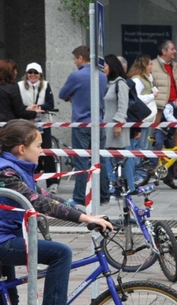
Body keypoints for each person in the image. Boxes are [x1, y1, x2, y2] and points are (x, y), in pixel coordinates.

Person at [0, 119, 112, 305]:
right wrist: (84, 220)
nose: (42, 151)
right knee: (60, 253)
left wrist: (83, 213)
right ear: (22, 148)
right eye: (38, 145)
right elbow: (37, 201)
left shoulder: (15, 168)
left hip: (7, 235)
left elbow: (44, 195)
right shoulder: (6, 174)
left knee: (9, 302)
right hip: (4, 240)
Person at [58, 45, 107, 208]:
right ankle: (104, 193)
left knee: (81, 161)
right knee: (100, 159)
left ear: (80, 58)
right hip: (98, 122)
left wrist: (74, 97)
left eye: (74, 59)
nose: (74, 62)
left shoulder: (76, 76)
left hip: (81, 122)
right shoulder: (102, 76)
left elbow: (62, 94)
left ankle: (80, 196)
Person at [17, 62, 59, 194]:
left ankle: (52, 183)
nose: (33, 75)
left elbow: (50, 103)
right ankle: (31, 181)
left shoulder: (46, 85)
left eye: (36, 73)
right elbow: (17, 104)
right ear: (26, 74)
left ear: (40, 74)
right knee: (27, 153)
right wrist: (28, 109)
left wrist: (39, 107)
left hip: (43, 123)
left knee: (46, 152)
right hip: (26, 123)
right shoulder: (19, 86)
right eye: (30, 72)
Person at [103, 54, 134, 200]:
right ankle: (117, 186)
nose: (103, 68)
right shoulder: (109, 83)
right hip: (108, 126)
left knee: (119, 159)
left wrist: (118, 124)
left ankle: (123, 187)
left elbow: (123, 105)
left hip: (117, 127)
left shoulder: (120, 83)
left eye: (105, 65)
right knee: (113, 159)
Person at [152, 39, 177, 160]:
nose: (175, 51)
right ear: (164, 51)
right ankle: (157, 171)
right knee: (159, 141)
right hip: (160, 109)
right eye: (172, 49)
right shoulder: (152, 65)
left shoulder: (176, 66)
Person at [127, 54, 159, 151]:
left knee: (143, 146)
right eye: (149, 64)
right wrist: (152, 96)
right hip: (141, 118)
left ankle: (138, 165)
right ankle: (136, 166)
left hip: (147, 118)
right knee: (139, 146)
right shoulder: (137, 80)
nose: (151, 66)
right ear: (143, 65)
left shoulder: (147, 79)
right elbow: (136, 98)